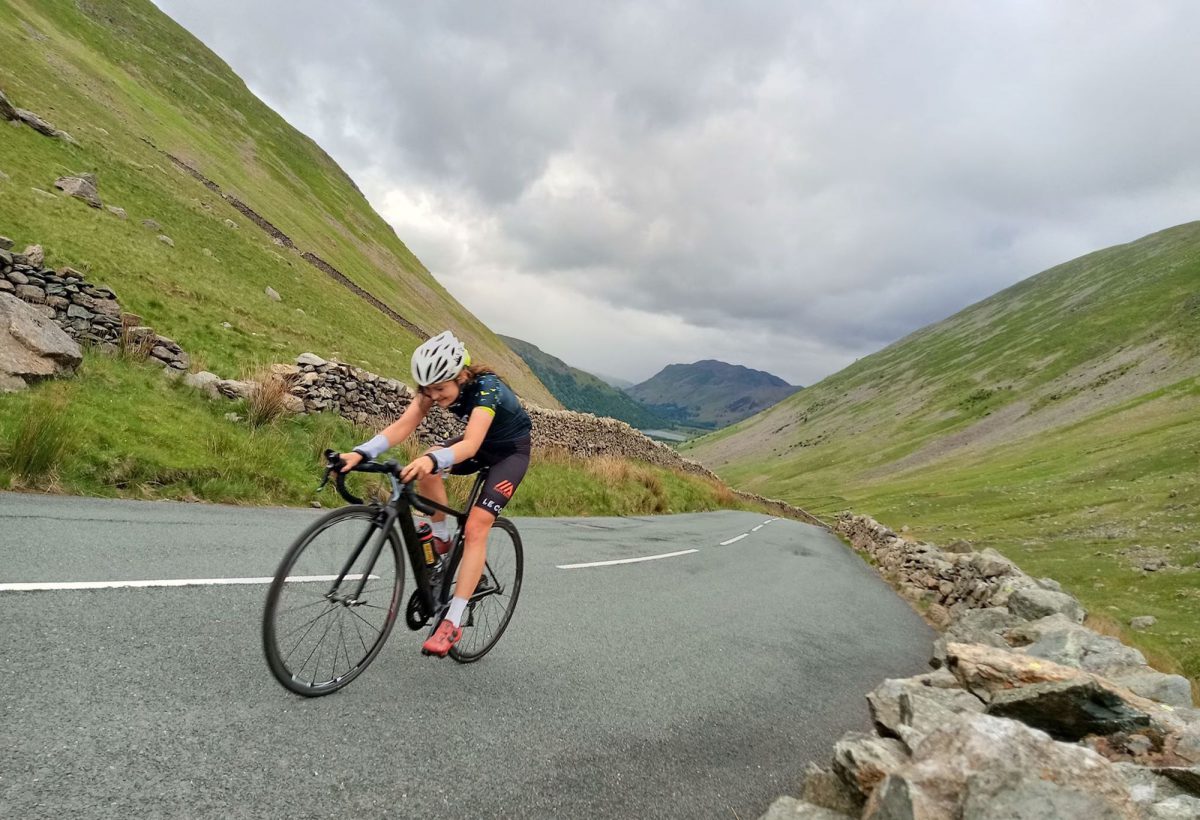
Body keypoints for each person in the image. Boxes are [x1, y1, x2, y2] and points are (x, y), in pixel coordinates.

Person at [338, 330, 532, 657]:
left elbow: (471, 445)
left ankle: (451, 621)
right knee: (428, 464)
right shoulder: (433, 388)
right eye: (429, 389)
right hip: (478, 445)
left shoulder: (488, 388)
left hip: (508, 454)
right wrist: (360, 453)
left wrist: (432, 460)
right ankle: (442, 539)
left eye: (441, 389)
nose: (435, 395)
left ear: (461, 376)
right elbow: (403, 425)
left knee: (475, 527)